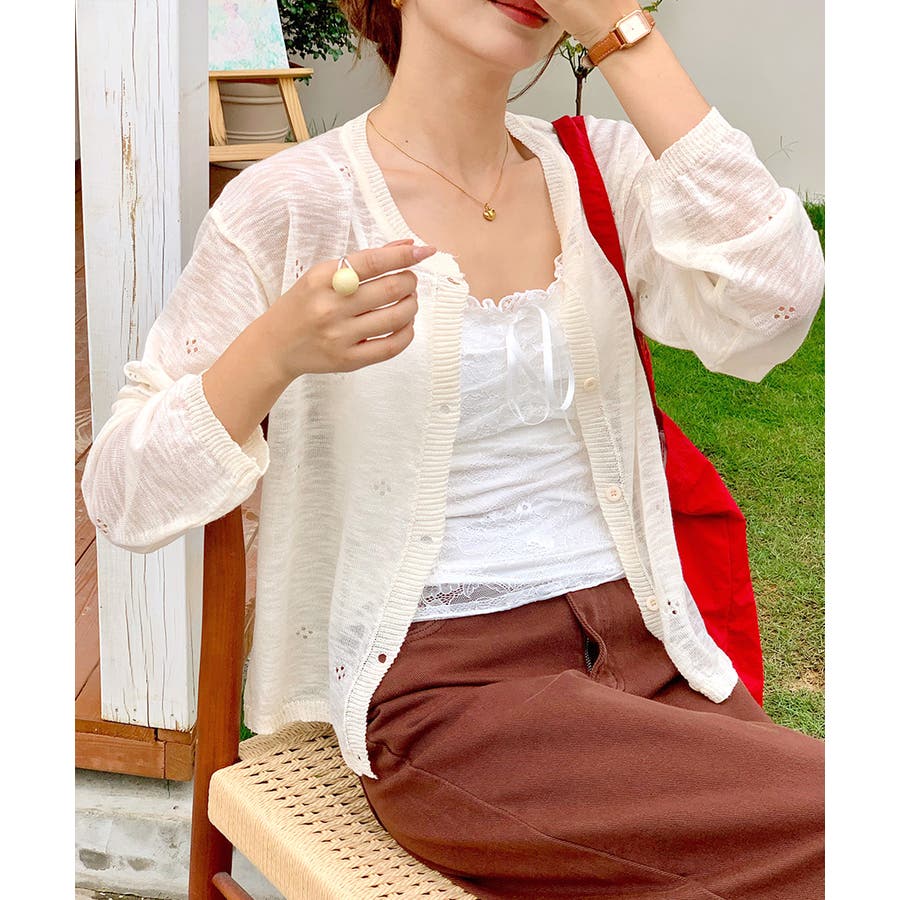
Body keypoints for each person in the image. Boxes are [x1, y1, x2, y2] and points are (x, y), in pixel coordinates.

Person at [80, 0, 826, 897]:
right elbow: (122, 493)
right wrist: (271, 353)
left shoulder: (602, 170)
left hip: (656, 651)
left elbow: (777, 304)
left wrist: (624, 37)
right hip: (450, 692)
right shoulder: (295, 202)